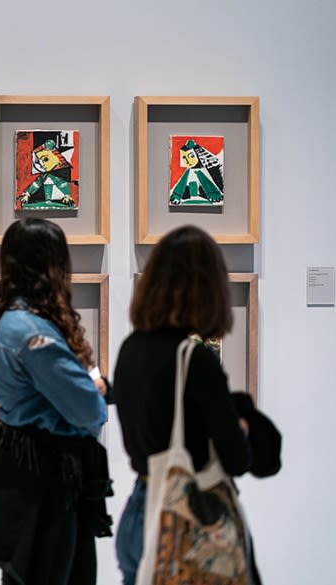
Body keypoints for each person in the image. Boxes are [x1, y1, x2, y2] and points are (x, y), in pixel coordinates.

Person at [0, 218, 112, 585]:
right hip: (45, 475)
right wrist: (95, 390)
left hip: (25, 467)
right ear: (52, 265)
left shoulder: (14, 319)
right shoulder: (34, 332)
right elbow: (88, 410)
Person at [112, 225, 252, 585]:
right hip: (185, 524)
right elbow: (236, 459)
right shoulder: (194, 360)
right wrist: (241, 428)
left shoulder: (131, 349)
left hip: (138, 512)